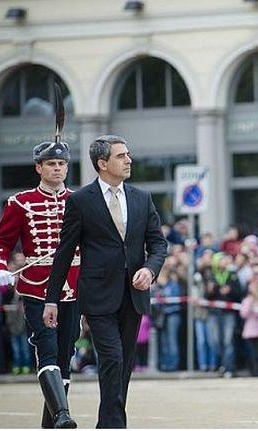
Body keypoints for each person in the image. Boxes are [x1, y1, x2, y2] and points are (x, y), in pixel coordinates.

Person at [44, 134, 167, 428]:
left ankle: (107, 422)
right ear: (102, 163)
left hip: (134, 295)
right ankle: (113, 425)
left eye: (128, 154)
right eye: (121, 156)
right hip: (98, 295)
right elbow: (63, 254)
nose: (128, 160)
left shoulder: (141, 198)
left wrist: (150, 270)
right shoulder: (80, 201)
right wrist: (52, 299)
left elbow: (158, 244)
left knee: (123, 365)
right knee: (111, 357)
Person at [0, 94, 80, 428]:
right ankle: (65, 414)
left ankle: (52, 421)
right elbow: (0, 243)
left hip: (73, 284)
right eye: (51, 164)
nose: (57, 169)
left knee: (67, 353)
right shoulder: (21, 202)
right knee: (47, 347)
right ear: (38, 167)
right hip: (37, 285)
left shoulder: (80, 200)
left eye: (62, 164)